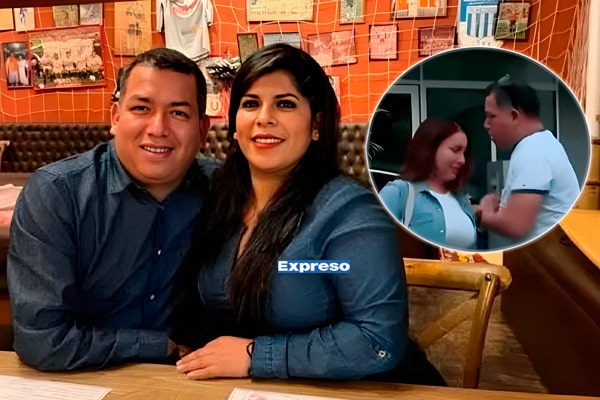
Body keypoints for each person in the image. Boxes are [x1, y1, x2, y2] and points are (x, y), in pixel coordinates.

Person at [175, 44, 442, 383]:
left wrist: (255, 355)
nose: (264, 117)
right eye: (250, 103)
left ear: (316, 124)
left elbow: (377, 340)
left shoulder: (352, 213)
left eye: (285, 104)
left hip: (365, 389)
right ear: (234, 124)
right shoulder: (214, 195)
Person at [7, 47, 212, 371]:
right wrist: (160, 347)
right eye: (141, 108)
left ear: (202, 130)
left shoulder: (227, 190)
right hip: (84, 377)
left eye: (178, 113)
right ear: (115, 117)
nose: (158, 127)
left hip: (195, 377)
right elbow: (43, 341)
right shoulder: (57, 194)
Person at [478, 75, 579, 246]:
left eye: (491, 116)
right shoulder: (539, 144)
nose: (486, 125)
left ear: (514, 116)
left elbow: (516, 226)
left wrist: (480, 213)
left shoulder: (533, 151)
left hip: (547, 256)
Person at [378, 117, 478, 250]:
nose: (462, 160)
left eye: (464, 153)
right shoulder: (399, 193)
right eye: (455, 150)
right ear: (430, 149)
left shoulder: (462, 201)